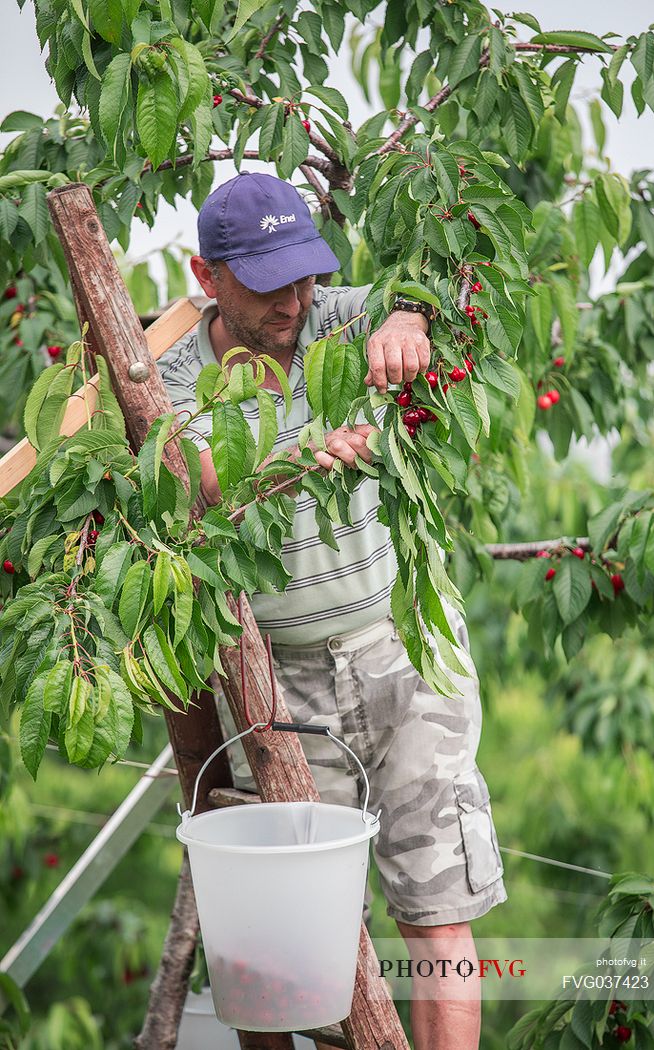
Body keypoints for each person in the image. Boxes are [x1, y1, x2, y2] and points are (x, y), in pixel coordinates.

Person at [157, 172, 507, 1050]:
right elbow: (182, 484)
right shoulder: (171, 380)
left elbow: (441, 285)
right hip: (284, 689)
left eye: (306, 274)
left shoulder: (332, 319)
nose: (295, 299)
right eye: (270, 282)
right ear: (209, 277)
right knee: (295, 956)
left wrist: (409, 320)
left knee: (439, 915)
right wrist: (295, 455)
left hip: (407, 651)